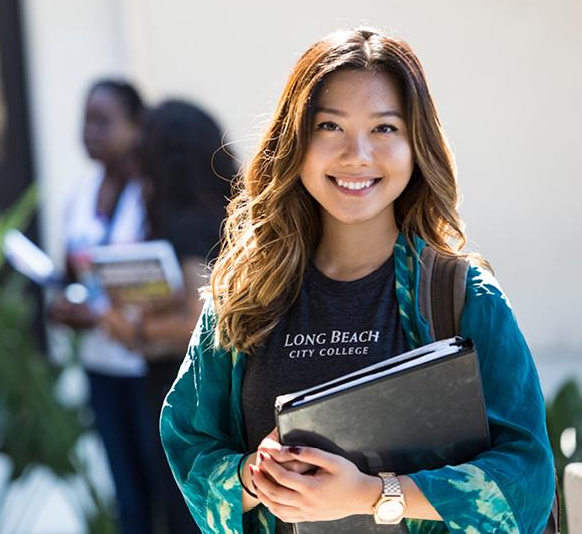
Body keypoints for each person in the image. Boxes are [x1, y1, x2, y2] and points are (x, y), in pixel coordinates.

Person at [160, 28, 555, 533]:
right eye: (329, 126)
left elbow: (526, 475)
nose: (357, 154)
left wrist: (374, 493)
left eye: (385, 128)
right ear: (296, 142)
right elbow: (189, 443)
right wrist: (254, 477)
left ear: (417, 145)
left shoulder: (463, 295)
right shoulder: (243, 296)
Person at [103, 99, 238, 533]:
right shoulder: (226, 214)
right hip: (213, 395)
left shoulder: (185, 225)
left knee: (186, 515)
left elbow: (206, 321)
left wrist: (135, 328)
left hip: (187, 398)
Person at [48, 78, 157, 533]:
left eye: (103, 121)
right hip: (100, 363)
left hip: (145, 363)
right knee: (125, 495)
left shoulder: (151, 195)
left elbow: (164, 283)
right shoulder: (79, 193)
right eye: (86, 121)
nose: (90, 132)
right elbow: (70, 272)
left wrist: (103, 313)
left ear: (136, 127)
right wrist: (65, 305)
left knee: (158, 484)